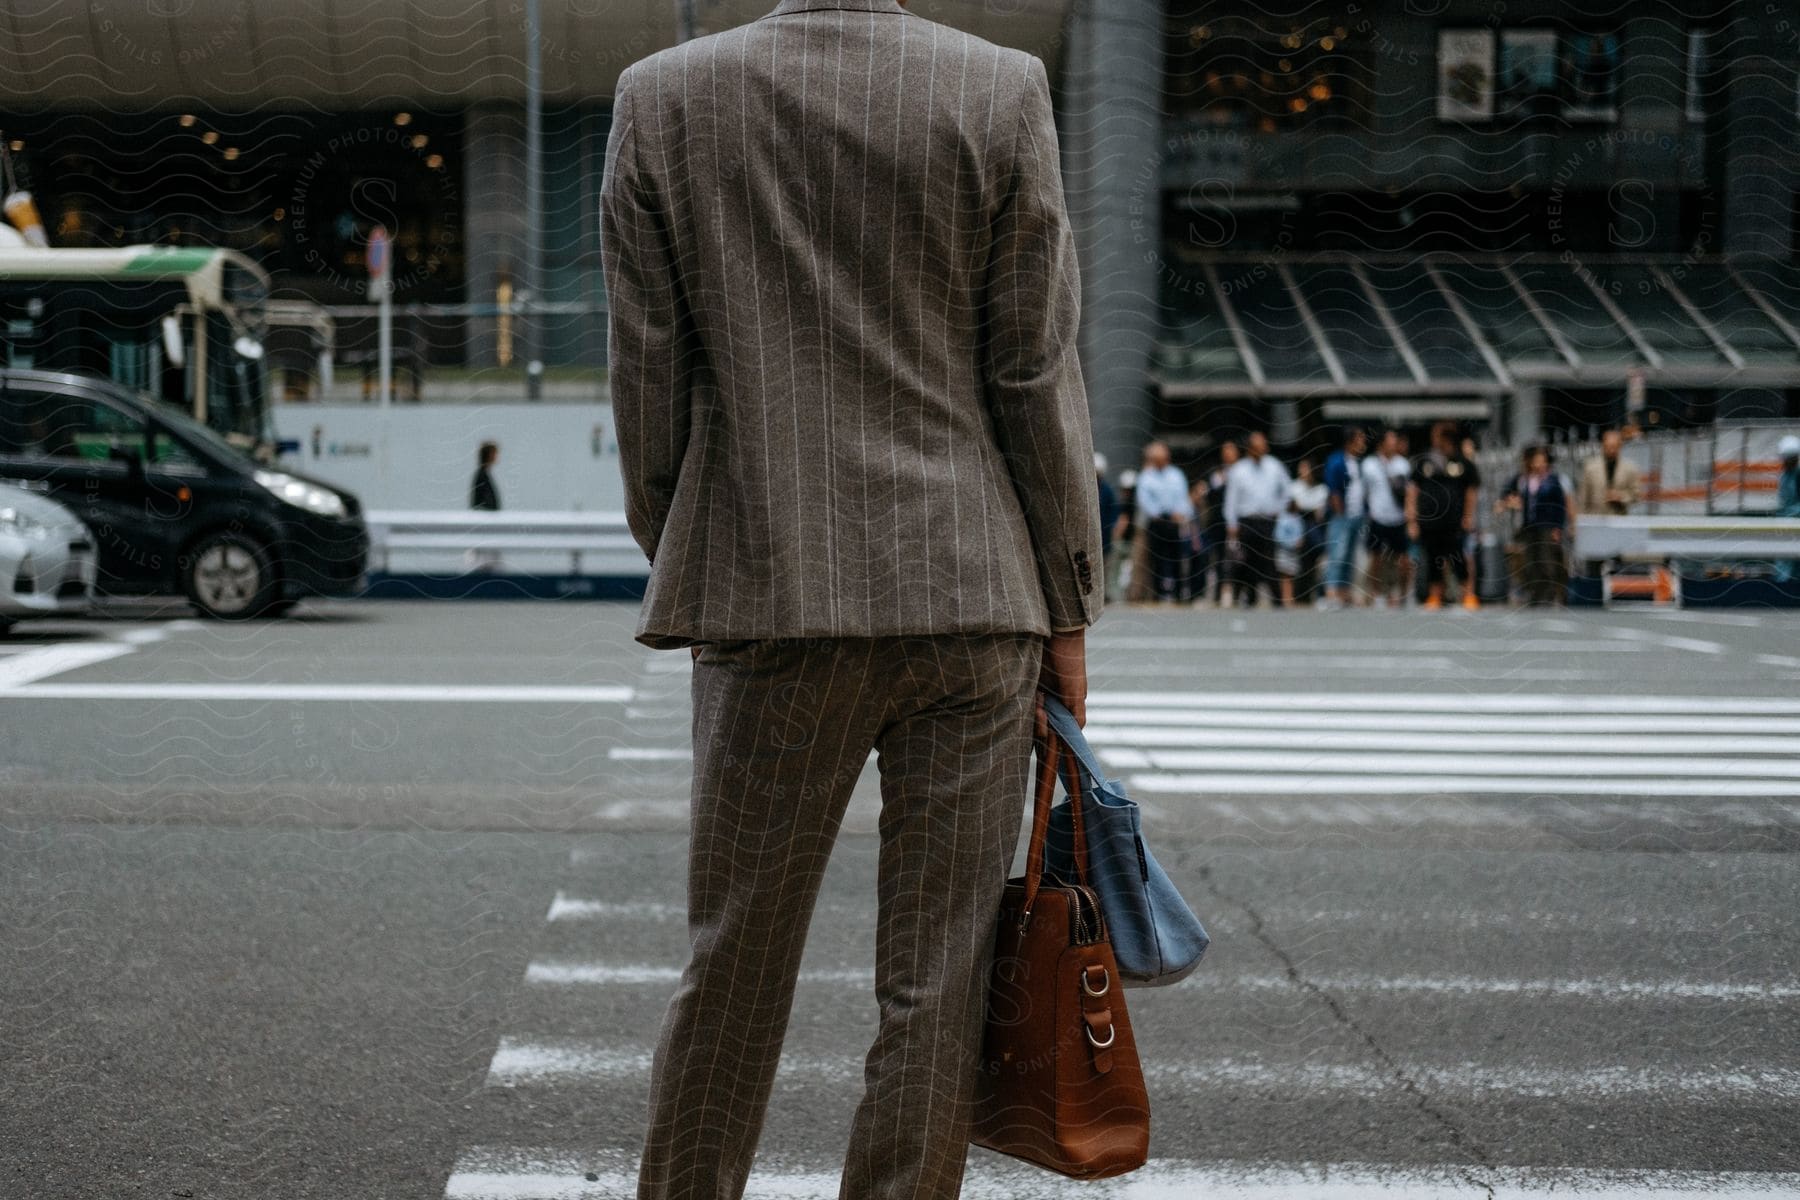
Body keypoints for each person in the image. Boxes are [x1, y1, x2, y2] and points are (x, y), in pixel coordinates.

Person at [599, 6, 1104, 1197]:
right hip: (971, 590)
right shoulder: (998, 88)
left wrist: (691, 540)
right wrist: (1069, 603)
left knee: (734, 964)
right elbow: (1033, 367)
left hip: (768, 587)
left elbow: (647, 371)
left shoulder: (663, 97)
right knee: (938, 978)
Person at [1408, 420, 1481, 611]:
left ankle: (1468, 594)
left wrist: (1468, 516)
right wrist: (1412, 520)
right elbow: (1413, 490)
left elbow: (1471, 492)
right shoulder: (1424, 461)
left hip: (1453, 521)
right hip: (1430, 522)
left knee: (1458, 558)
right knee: (1433, 559)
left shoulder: (1462, 463)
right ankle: (1435, 595)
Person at [1225, 430, 1291, 608]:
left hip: (1267, 521)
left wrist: (1280, 509)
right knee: (1246, 560)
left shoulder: (1274, 466)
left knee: (1269, 559)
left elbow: (1286, 490)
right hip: (1247, 521)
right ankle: (1248, 597)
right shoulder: (1239, 470)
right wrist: (1232, 524)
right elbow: (1231, 500)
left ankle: (1277, 599)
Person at [1499, 444, 1572, 605]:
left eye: (1542, 461)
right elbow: (1507, 493)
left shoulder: (1552, 481)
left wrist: (1558, 527)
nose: (1539, 464)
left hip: (1547, 525)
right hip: (1529, 526)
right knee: (1530, 561)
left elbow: (1560, 505)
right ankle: (1535, 593)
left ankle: (1549, 594)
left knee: (1547, 560)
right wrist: (1509, 501)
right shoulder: (1524, 479)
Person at [1134, 439, 1194, 602]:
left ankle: (1180, 592)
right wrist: (1158, 513)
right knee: (1158, 558)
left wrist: (1181, 513)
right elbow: (1144, 500)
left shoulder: (1176, 475)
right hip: (1157, 522)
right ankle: (1159, 592)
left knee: (1177, 556)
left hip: (1174, 521)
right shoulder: (1147, 476)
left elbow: (1183, 497)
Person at [1361, 428, 1409, 608]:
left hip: (1398, 517)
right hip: (1378, 516)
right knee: (1376, 558)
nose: (1394, 445)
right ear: (1381, 444)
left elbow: (1408, 491)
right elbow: (1364, 492)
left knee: (1403, 559)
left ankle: (1403, 595)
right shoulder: (1369, 465)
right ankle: (1377, 593)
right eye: (1390, 442)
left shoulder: (1403, 464)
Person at [1321, 427, 1367, 608]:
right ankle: (1331, 591)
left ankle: (1344, 592)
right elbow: (1333, 489)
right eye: (1360, 439)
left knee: (1350, 556)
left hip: (1357, 515)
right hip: (1342, 515)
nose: (1363, 443)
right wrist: (1339, 511)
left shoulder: (1359, 462)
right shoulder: (1336, 460)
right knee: (1337, 554)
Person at [1285, 456, 1329, 606]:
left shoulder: (1321, 489)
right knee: (1297, 564)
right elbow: (1294, 509)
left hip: (1314, 529)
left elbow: (1319, 514)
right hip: (1296, 528)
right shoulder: (1294, 487)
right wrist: (1307, 510)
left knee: (1316, 562)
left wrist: (1304, 508)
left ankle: (1317, 594)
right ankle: (1297, 595)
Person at [1202, 440, 1240, 606]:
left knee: (1238, 558)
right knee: (1218, 557)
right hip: (1218, 522)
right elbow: (1208, 496)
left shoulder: (1243, 471)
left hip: (1239, 520)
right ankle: (1219, 592)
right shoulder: (1216, 474)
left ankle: (1238, 592)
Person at [1577, 428, 1643, 517]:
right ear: (1603, 446)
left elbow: (1637, 495)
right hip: (1595, 518)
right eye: (1608, 447)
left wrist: (1621, 497)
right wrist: (1582, 520)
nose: (1611, 450)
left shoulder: (1630, 468)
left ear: (1620, 446)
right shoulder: (1590, 468)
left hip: (1619, 519)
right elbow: (1583, 497)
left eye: (1614, 447)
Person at [1776, 435, 1800, 585]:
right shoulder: (1784, 476)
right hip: (1785, 524)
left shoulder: (1797, 476)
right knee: (1784, 558)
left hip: (1795, 523)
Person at [470, 440, 501, 511]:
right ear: (489, 455)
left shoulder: (483, 474)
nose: (496, 456)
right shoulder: (482, 475)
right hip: (485, 517)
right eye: (494, 453)